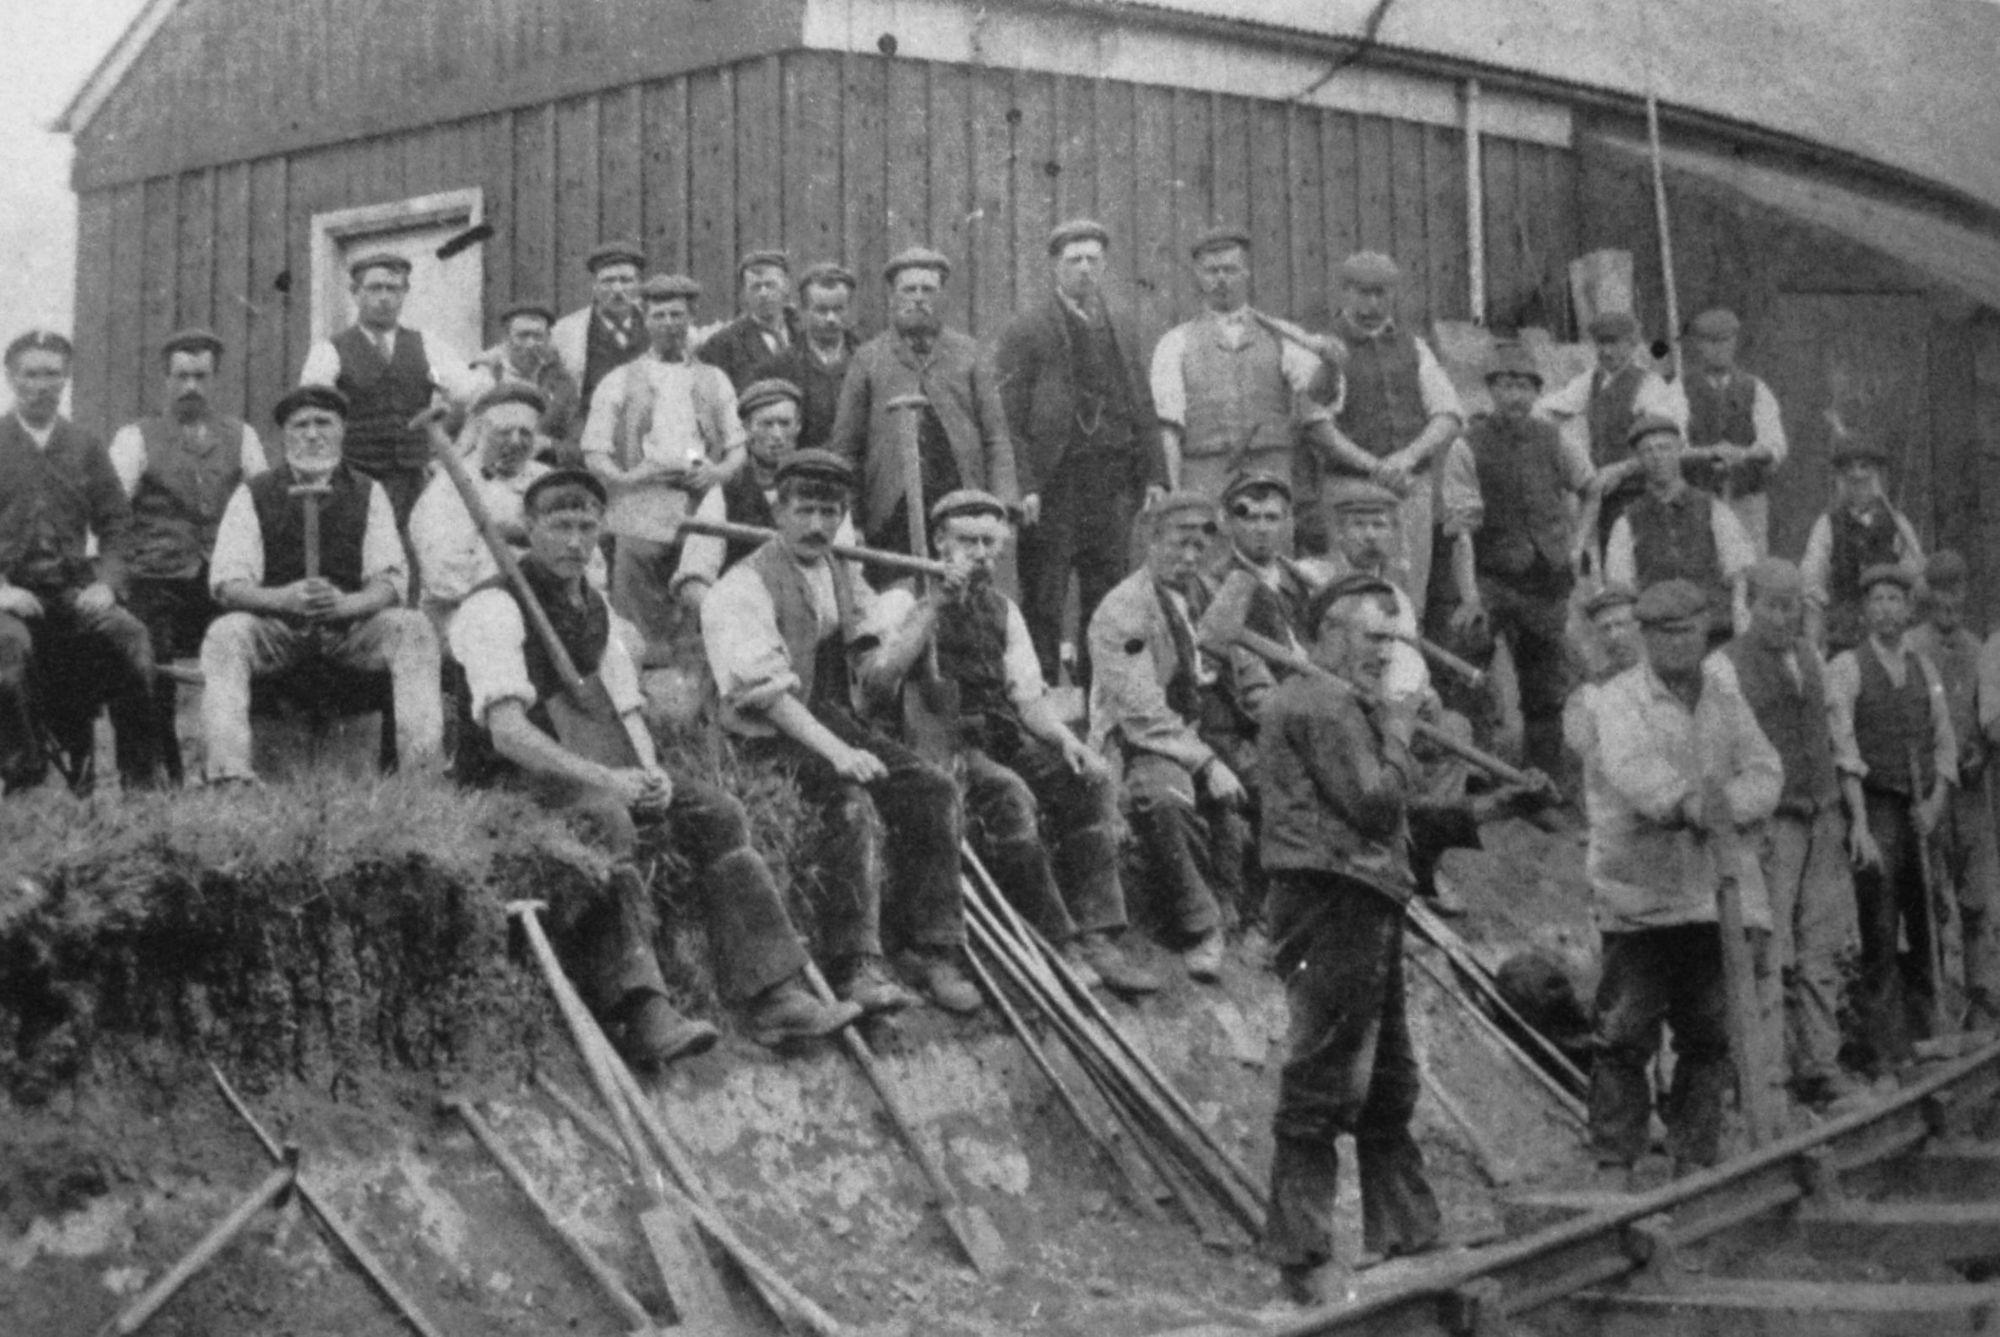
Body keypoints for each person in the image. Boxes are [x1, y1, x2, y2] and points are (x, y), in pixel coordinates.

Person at [449, 467, 861, 1062]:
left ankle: (772, 995)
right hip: (507, 781)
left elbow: (627, 708)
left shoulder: (596, 611)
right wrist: (608, 781)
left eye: (586, 527)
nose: (574, 541)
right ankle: (641, 1010)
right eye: (559, 526)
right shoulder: (493, 608)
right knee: (609, 821)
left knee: (718, 813)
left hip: (590, 765)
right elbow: (509, 734)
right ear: (529, 530)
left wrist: (650, 773)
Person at [701, 449, 971, 1013]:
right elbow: (768, 698)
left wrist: (930, 608)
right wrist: (840, 753)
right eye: (805, 510)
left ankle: (931, 949)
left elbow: (876, 677)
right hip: (760, 735)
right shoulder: (740, 588)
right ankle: (855, 965)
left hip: (825, 716)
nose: (818, 525)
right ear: (779, 510)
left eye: (830, 511)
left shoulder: (840, 571)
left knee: (932, 787)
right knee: (850, 804)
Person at [876, 489, 1159, 993]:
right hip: (940, 740)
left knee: (1086, 782)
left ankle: (1099, 933)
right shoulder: (902, 595)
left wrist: (1066, 742)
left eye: (989, 543)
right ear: (939, 540)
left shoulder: (1004, 610)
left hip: (1001, 732)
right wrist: (933, 605)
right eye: (967, 542)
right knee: (1009, 794)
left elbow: (1027, 698)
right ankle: (1057, 939)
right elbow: (882, 680)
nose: (980, 554)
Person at [1259, 572, 1444, 1303]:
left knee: (1388, 1069)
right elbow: (1372, 803)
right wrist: (1398, 727)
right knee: (1327, 1072)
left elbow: (1389, 811)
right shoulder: (1320, 700)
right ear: (1329, 632)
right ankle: (1302, 1255)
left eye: (1394, 638)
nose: (1385, 653)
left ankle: (1403, 1226)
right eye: (1374, 637)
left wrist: (1485, 807)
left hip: (1364, 893)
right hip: (1330, 896)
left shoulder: (1339, 700)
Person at [1582, 578, 1780, 1179]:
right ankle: (1616, 1162)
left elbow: (1765, 768)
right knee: (1624, 1031)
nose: (1677, 643)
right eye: (1663, 633)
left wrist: (1733, 806)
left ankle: (1694, 1161)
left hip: (1711, 893)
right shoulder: (1616, 699)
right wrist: (1690, 805)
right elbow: (1632, 771)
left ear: (1705, 632)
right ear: (1644, 637)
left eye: (1689, 630)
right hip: (1638, 893)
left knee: (1708, 1031)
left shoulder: (1723, 694)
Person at [199, 386, 443, 785]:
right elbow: (227, 584)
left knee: (412, 628)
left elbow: (391, 582)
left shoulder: (368, 491)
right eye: (300, 425)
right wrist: (282, 599)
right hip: (278, 631)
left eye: (323, 423)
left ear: (342, 430)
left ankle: (423, 777)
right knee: (225, 634)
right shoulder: (255, 493)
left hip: (350, 633)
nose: (312, 435)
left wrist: (347, 605)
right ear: (285, 436)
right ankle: (230, 775)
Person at [1710, 558, 1856, 1108]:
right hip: (1769, 826)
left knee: (1822, 946)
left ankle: (1819, 1064)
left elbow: (1835, 736)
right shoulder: (1724, 667)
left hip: (1821, 818)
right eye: (1772, 604)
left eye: (1792, 605)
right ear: (1750, 605)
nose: (1783, 616)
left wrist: (1844, 812)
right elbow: (1719, 754)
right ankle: (1766, 1077)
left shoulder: (1813, 659)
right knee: (1768, 949)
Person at [995, 219, 1167, 687]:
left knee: (1107, 594)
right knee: (1045, 597)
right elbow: (1009, 418)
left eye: (1093, 259)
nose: (1085, 269)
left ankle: (1101, 694)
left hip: (1112, 483)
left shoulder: (1122, 326)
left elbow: (1142, 402)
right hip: (1055, 485)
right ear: (1055, 266)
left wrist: (1155, 475)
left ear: (1105, 265)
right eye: (1075, 260)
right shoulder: (1027, 329)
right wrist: (1025, 486)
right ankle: (1043, 692)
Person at [1086, 493, 1247, 981]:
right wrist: (1208, 763)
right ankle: (1202, 924)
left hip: (1198, 730)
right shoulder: (1122, 610)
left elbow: (1237, 666)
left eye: (1200, 547)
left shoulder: (1205, 595)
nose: (1191, 558)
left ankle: (1256, 912)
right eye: (1179, 545)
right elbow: (1141, 714)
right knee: (1167, 798)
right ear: (1152, 543)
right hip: (1141, 742)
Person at [0, 330, 161, 793]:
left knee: (130, 639)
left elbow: (117, 524)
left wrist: (107, 584)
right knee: (8, 651)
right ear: (12, 378)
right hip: (7, 598)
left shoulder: (84, 445)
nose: (42, 385)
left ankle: (141, 786)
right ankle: (28, 780)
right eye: (31, 373)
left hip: (68, 593)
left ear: (66, 379)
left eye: (53, 374)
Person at [109, 328, 269, 784]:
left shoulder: (243, 436)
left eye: (201, 376)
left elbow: (265, 505)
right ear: (166, 379)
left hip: (222, 574)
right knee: (145, 655)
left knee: (251, 640)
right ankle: (154, 771)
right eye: (181, 376)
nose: (191, 387)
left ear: (215, 379)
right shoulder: (135, 437)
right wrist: (116, 579)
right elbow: (111, 512)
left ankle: (234, 763)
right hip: (156, 575)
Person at [1825, 563, 1955, 1075]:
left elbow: (1943, 741)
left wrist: (1937, 802)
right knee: (1879, 929)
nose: (1887, 610)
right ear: (1865, 610)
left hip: (1922, 808)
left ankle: (1932, 1041)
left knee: (1927, 923)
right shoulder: (1848, 668)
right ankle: (1883, 1052)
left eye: (1895, 601)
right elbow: (1844, 749)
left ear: (1908, 609)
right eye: (1877, 600)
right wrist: (1859, 824)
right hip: (1876, 807)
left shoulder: (1925, 669)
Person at [580, 272, 746, 659]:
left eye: (678, 315)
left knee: (696, 599)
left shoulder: (714, 380)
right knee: (637, 610)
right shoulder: (619, 380)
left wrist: (718, 472)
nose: (670, 324)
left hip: (700, 502)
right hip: (639, 502)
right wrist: (626, 477)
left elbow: (737, 447)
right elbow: (594, 451)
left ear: (691, 319)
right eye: (660, 315)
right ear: (645, 319)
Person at [1147, 228, 1343, 542]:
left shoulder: (1282, 335)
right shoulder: (1175, 343)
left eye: (1230, 270)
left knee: (1273, 563)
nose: (1221, 279)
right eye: (1212, 271)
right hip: (1205, 475)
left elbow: (1320, 394)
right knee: (1208, 564)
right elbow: (1168, 429)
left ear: (1246, 274)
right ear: (1198, 276)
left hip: (1271, 474)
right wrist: (1174, 496)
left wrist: (1331, 364)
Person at [827, 247, 1018, 557]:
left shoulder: (969, 354)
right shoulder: (868, 359)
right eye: (909, 289)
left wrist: (1003, 505)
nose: (918, 298)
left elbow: (996, 437)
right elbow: (846, 448)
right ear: (893, 298)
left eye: (927, 289)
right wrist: (852, 520)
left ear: (942, 297)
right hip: (890, 510)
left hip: (961, 506)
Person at [1455, 340, 1589, 779]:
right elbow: (1460, 530)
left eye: (1525, 387)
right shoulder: (1468, 445)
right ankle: (1478, 770)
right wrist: (1471, 597)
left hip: (1546, 579)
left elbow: (1591, 487)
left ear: (1536, 392)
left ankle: (1544, 779)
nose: (1516, 396)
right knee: (1470, 668)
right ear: (1491, 390)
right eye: (1506, 385)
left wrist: (1577, 544)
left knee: (1546, 684)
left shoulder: (1555, 439)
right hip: (1492, 577)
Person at [1316, 251, 1465, 602]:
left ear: (1394, 295)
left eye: (1380, 293)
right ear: (1344, 294)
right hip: (1349, 488)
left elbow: (1448, 414)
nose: (1372, 303)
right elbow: (1317, 426)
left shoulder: (1414, 347)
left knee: (1408, 595)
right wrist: (1375, 466)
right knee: (1351, 592)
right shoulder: (1326, 347)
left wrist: (1408, 457)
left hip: (1409, 488)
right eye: (1362, 293)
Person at [409, 384, 607, 639]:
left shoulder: (549, 482)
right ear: (480, 430)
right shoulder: (447, 491)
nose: (516, 441)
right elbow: (445, 581)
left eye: (525, 432)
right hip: (468, 612)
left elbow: (591, 558)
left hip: (553, 610)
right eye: (504, 432)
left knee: (621, 638)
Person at [299, 253, 481, 525]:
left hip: (413, 482)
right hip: (354, 480)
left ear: (404, 293)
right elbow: (310, 417)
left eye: (393, 288)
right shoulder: (329, 351)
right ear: (355, 293)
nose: (384, 297)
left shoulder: (427, 346)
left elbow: (472, 395)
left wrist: (454, 453)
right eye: (374, 288)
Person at [674, 378, 863, 612]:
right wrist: (732, 617)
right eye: (766, 424)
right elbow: (693, 580)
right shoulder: (725, 493)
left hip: (817, 621)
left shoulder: (825, 488)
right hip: (744, 623)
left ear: (798, 426)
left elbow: (849, 575)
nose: (776, 435)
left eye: (784, 423)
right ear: (746, 430)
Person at [1908, 551, 1998, 1029]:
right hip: (1929, 793)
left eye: (1957, 589)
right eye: (1940, 590)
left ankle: (1984, 1000)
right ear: (1926, 595)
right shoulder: (1910, 647)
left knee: (1979, 898)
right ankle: (1939, 1005)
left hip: (1972, 794)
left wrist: (1980, 754)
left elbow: (1989, 716)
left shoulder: (1978, 647)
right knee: (1932, 900)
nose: (1949, 600)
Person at [1537, 310, 1686, 560]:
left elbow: (1668, 444)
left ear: (1632, 344)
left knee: (1645, 560)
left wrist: (1622, 469)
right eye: (1601, 344)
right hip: (1609, 494)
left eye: (1614, 343)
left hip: (1645, 490)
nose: (1606, 352)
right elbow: (1551, 408)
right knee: (1612, 562)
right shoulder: (1592, 381)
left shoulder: (1650, 385)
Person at [1603, 415, 1754, 647]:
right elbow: (1621, 589)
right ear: (1638, 459)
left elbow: (1740, 573)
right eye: (1647, 451)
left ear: (1679, 450)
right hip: (1659, 638)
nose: (1657, 457)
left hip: (1714, 633)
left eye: (1664, 448)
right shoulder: (1627, 522)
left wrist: (1740, 625)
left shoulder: (1712, 508)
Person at [1800, 434, 1923, 656]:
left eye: (1864, 467)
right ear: (1840, 477)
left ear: (1877, 474)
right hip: (1844, 641)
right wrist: (1813, 648)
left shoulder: (1898, 524)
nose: (1857, 475)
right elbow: (1812, 589)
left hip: (1890, 638)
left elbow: (1915, 583)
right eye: (1850, 468)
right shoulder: (1827, 525)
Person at [1679, 308, 1787, 555]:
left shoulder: (1755, 388)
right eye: (1710, 342)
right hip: (1699, 500)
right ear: (1698, 345)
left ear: (1735, 342)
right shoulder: (1679, 389)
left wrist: (1743, 454)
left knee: (1751, 564)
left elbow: (1775, 445)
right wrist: (1708, 453)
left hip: (1746, 501)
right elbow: (1672, 446)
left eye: (1725, 341)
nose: (1718, 349)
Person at [551, 240, 648, 435]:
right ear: (594, 286)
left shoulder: (655, 324)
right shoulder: (567, 331)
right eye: (608, 281)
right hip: (589, 432)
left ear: (638, 285)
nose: (618, 290)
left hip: (648, 433)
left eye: (625, 280)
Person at [765, 261, 861, 453]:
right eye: (822, 310)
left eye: (839, 309)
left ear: (849, 309)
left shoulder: (867, 361)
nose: (831, 319)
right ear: (803, 311)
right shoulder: (781, 366)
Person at [469, 300, 581, 453]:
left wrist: (549, 445)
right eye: (523, 336)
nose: (531, 343)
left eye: (538, 336)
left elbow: (576, 441)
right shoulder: (485, 375)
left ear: (548, 338)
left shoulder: (560, 380)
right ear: (506, 338)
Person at [699, 250, 802, 390]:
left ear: (786, 287)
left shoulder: (803, 333)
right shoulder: (723, 344)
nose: (763, 293)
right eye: (755, 287)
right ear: (744, 293)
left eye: (770, 285)